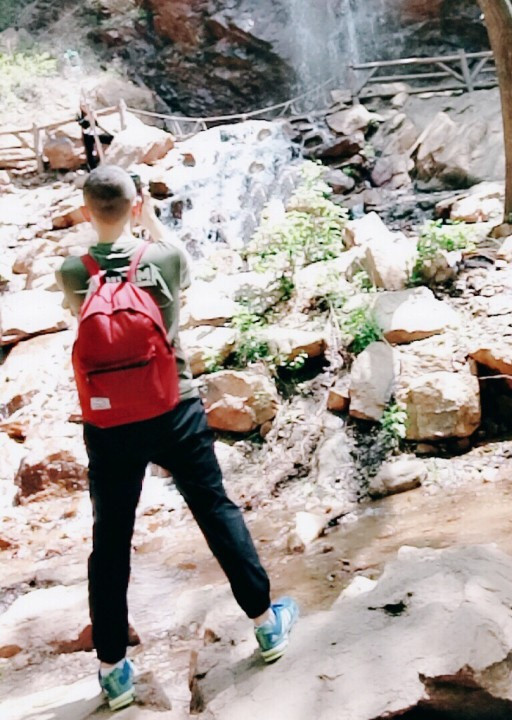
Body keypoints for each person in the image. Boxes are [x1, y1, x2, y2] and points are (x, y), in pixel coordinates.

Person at [56, 165, 299, 712]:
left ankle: (113, 671)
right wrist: (149, 220)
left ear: (86, 210)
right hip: (174, 406)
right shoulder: (164, 257)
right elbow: (178, 276)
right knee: (214, 509)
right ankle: (266, 624)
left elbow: (83, 315)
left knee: (111, 538)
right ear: (136, 203)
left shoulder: (73, 270)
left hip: (108, 423)